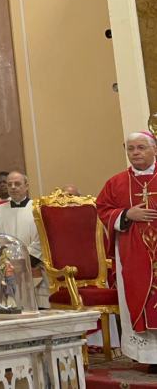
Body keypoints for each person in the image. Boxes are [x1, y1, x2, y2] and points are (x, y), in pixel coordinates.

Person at [96, 131, 157, 369]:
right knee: (139, 295)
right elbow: (102, 209)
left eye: (141, 147)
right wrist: (126, 214)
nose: (135, 153)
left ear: (154, 149)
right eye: (130, 149)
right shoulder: (116, 182)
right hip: (133, 254)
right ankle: (152, 357)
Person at [0, 170, 47, 307]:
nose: (13, 187)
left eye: (17, 184)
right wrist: (8, 260)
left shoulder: (38, 208)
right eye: (10, 184)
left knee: (38, 309)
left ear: (26, 186)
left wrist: (25, 260)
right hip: (8, 271)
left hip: (34, 267)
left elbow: (43, 238)